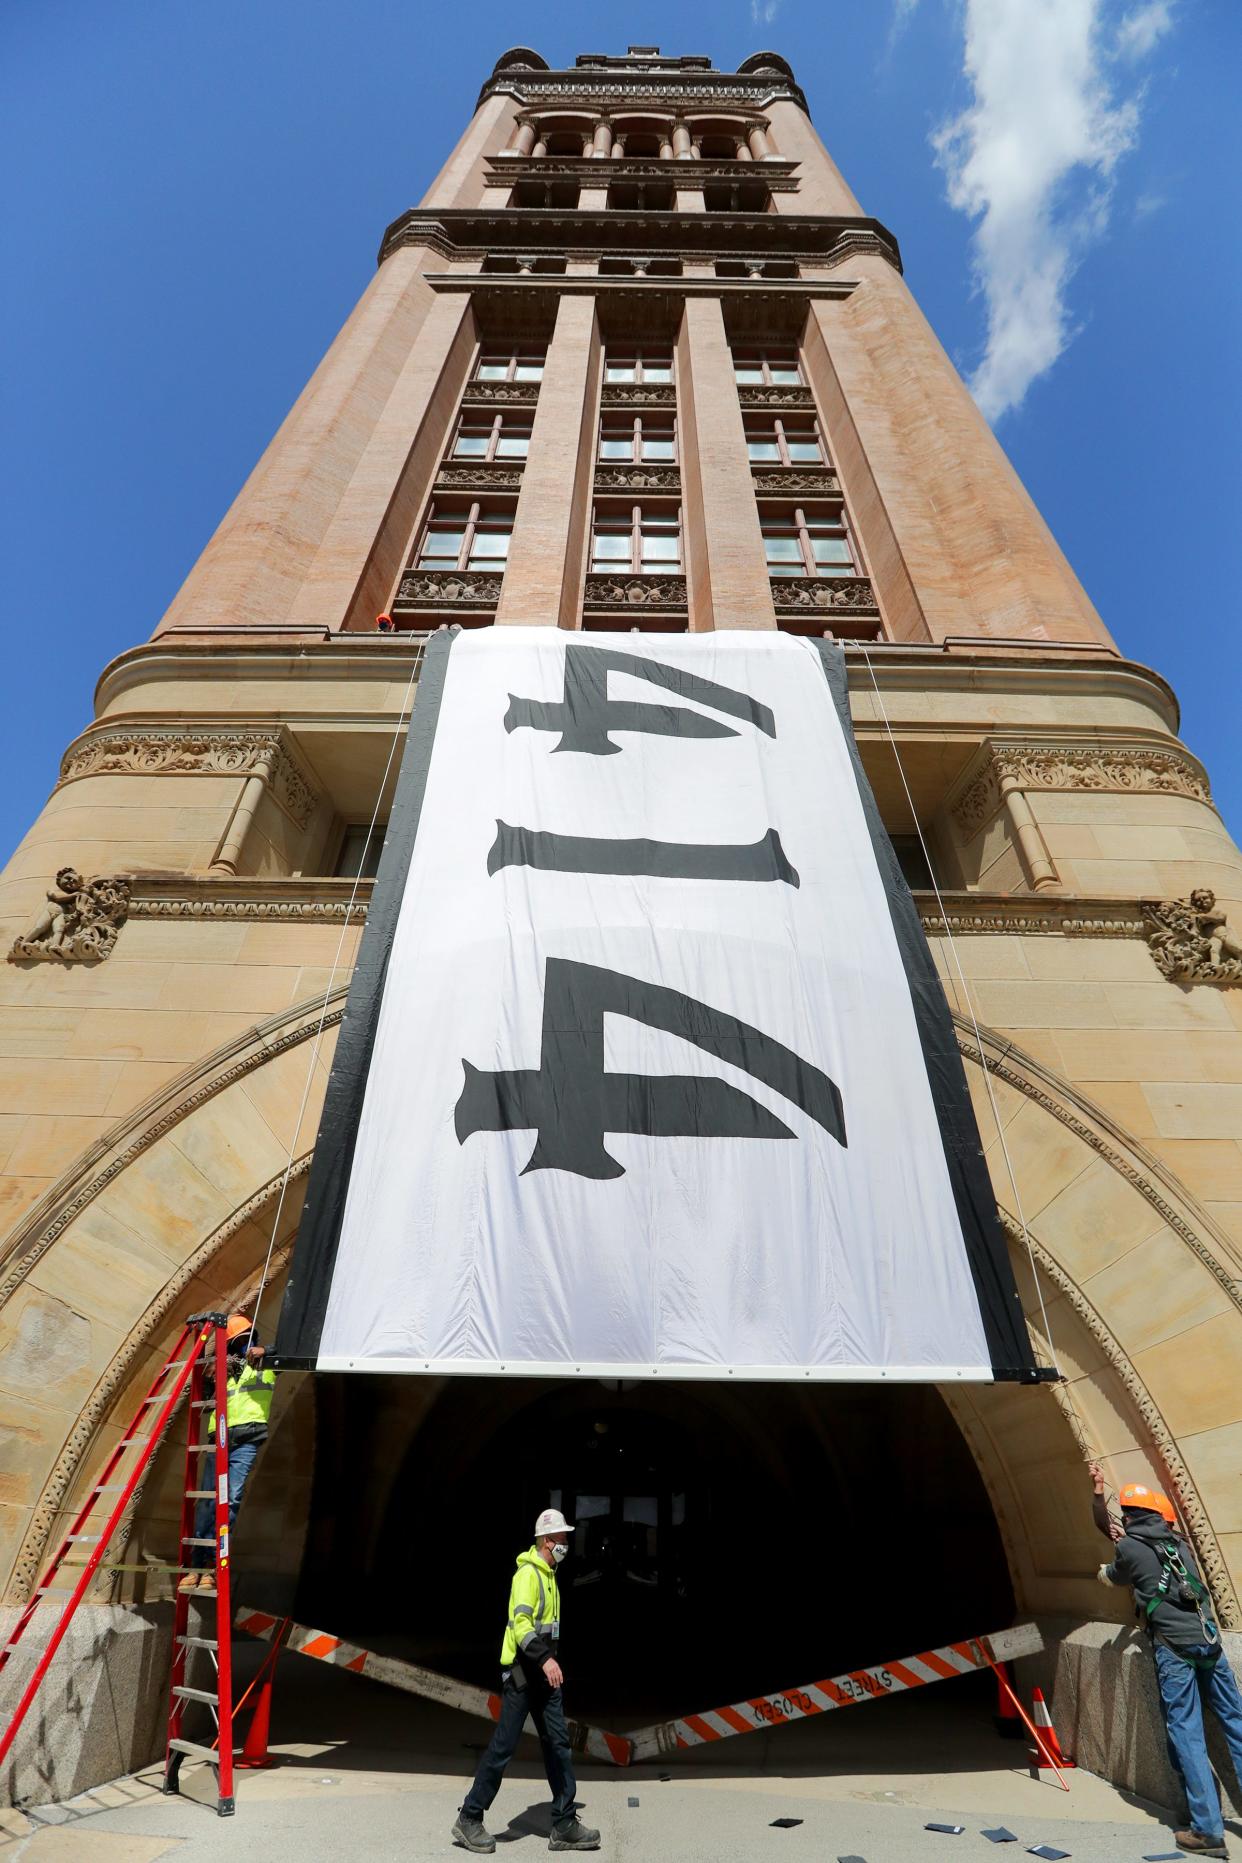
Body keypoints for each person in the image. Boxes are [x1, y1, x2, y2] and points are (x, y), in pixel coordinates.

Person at [1091, 1463, 1242, 1858]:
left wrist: (1097, 1496)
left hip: (1174, 1648)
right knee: (1237, 1723)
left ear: (1128, 1516)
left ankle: (1208, 1831)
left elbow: (1116, 1568)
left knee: (1187, 1733)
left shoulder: (1129, 1547)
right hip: (1209, 1643)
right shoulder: (1180, 1544)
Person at [452, 1508, 600, 1855]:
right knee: (503, 1747)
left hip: (544, 1678)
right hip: (523, 1673)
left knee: (558, 1746)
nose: (566, 1544)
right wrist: (546, 1659)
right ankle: (469, 1817)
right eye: (562, 1539)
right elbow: (520, 1626)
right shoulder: (528, 1576)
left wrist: (549, 1662)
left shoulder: (550, 1574)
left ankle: (563, 1822)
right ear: (548, 1541)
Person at [180, 1313, 276, 1589]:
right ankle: (195, 1566)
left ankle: (211, 1567)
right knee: (209, 1502)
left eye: (247, 1341)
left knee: (230, 1499)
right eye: (237, 1342)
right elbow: (207, 1396)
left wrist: (266, 1351)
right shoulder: (225, 1368)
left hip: (247, 1440)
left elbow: (293, 1352)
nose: (243, 1347)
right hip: (220, 1439)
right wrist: (213, 1375)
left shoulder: (266, 1365)